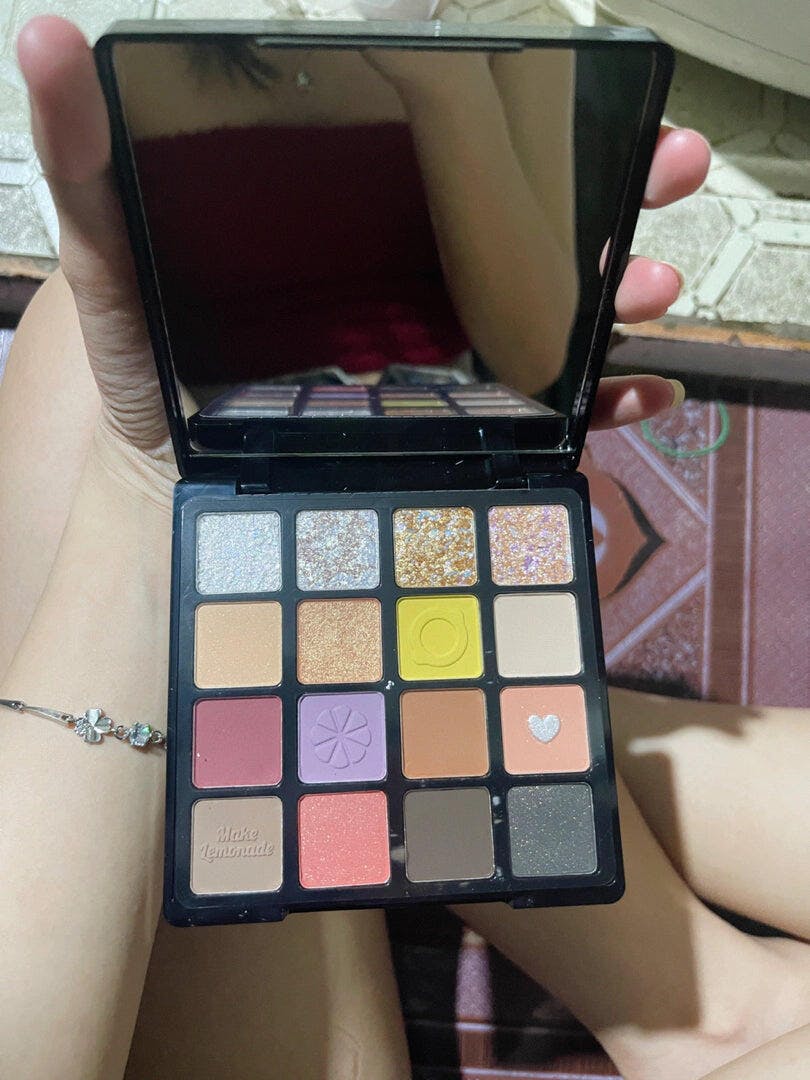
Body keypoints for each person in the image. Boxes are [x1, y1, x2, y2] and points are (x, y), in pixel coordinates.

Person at [1, 15, 808, 1080]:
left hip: (387, 457)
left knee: (83, 350)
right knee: (93, 344)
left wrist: (450, 98)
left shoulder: (511, 50)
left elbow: (529, 348)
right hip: (281, 473)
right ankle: (701, 988)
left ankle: (700, 989)